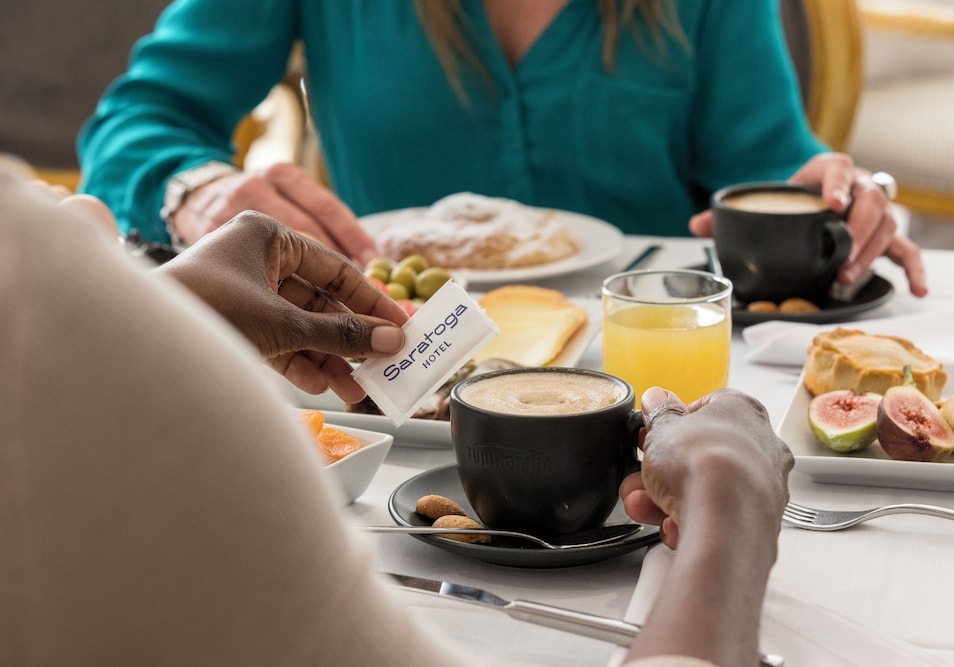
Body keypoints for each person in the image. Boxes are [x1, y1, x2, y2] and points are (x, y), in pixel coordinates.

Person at [2, 168, 792, 666]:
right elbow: (147, 109)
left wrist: (156, 303)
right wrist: (732, 505)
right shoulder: (42, 312)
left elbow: (772, 148)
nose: (87, 221)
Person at [77, 0, 927, 297]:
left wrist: (837, 201)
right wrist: (198, 189)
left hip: (651, 389)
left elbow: (771, 170)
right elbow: (140, 119)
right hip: (386, 377)